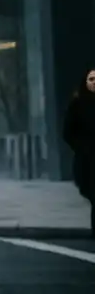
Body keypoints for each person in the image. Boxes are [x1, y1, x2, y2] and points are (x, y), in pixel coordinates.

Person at [62, 67, 95, 237]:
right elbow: (68, 132)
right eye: (91, 79)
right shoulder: (78, 104)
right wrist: (82, 148)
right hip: (88, 160)